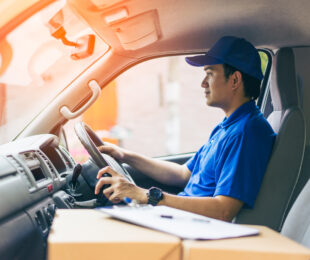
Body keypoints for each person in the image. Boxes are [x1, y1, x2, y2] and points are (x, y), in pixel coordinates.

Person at [95, 36, 276, 222]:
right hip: (182, 220)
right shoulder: (228, 126)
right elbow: (182, 174)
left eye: (210, 74)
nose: (203, 83)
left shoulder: (246, 132)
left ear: (235, 80)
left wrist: (145, 196)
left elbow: (223, 210)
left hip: (194, 229)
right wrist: (125, 155)